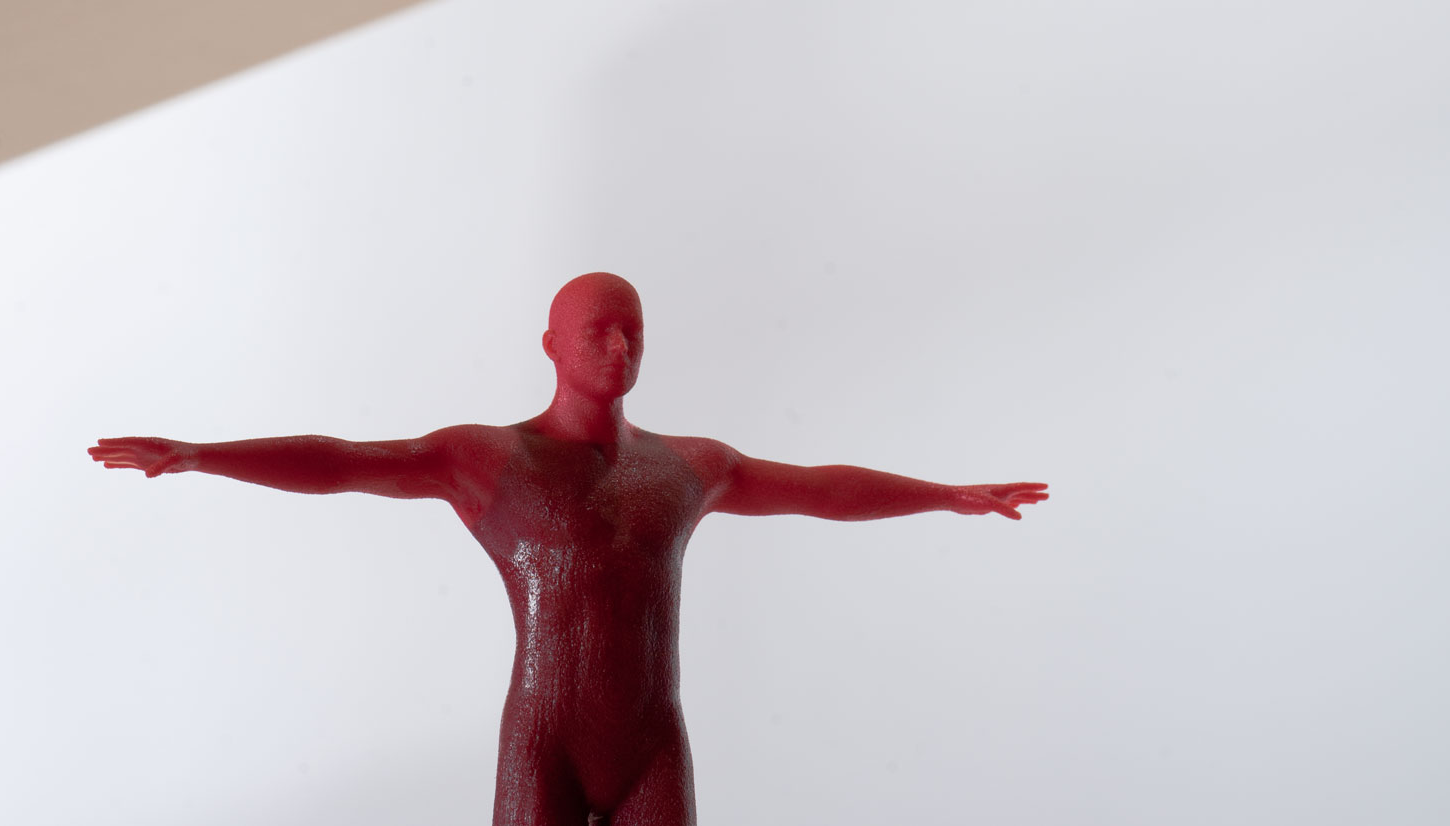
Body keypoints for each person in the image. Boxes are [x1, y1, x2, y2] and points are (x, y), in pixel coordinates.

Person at [90, 271, 1046, 825]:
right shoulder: (486, 460)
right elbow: (346, 461)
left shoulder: (688, 467)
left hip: (652, 741)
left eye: (633, 333)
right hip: (543, 739)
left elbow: (817, 489)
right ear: (550, 344)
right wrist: (201, 454)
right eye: (598, 332)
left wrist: (944, 496)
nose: (619, 349)